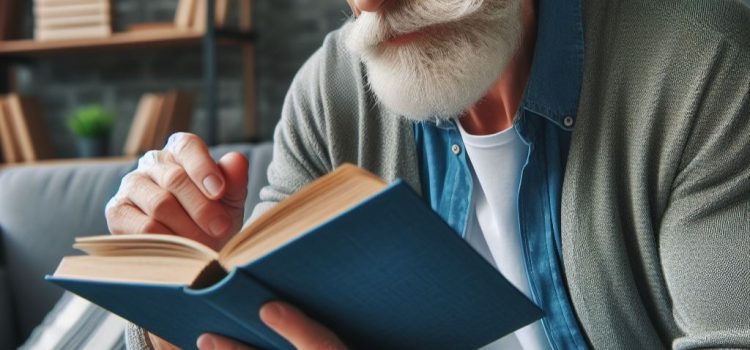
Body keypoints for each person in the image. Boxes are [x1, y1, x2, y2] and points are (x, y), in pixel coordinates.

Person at [106, 0, 750, 349]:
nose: (368, 5)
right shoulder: (331, 94)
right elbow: (264, 325)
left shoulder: (703, 67)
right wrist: (183, 302)